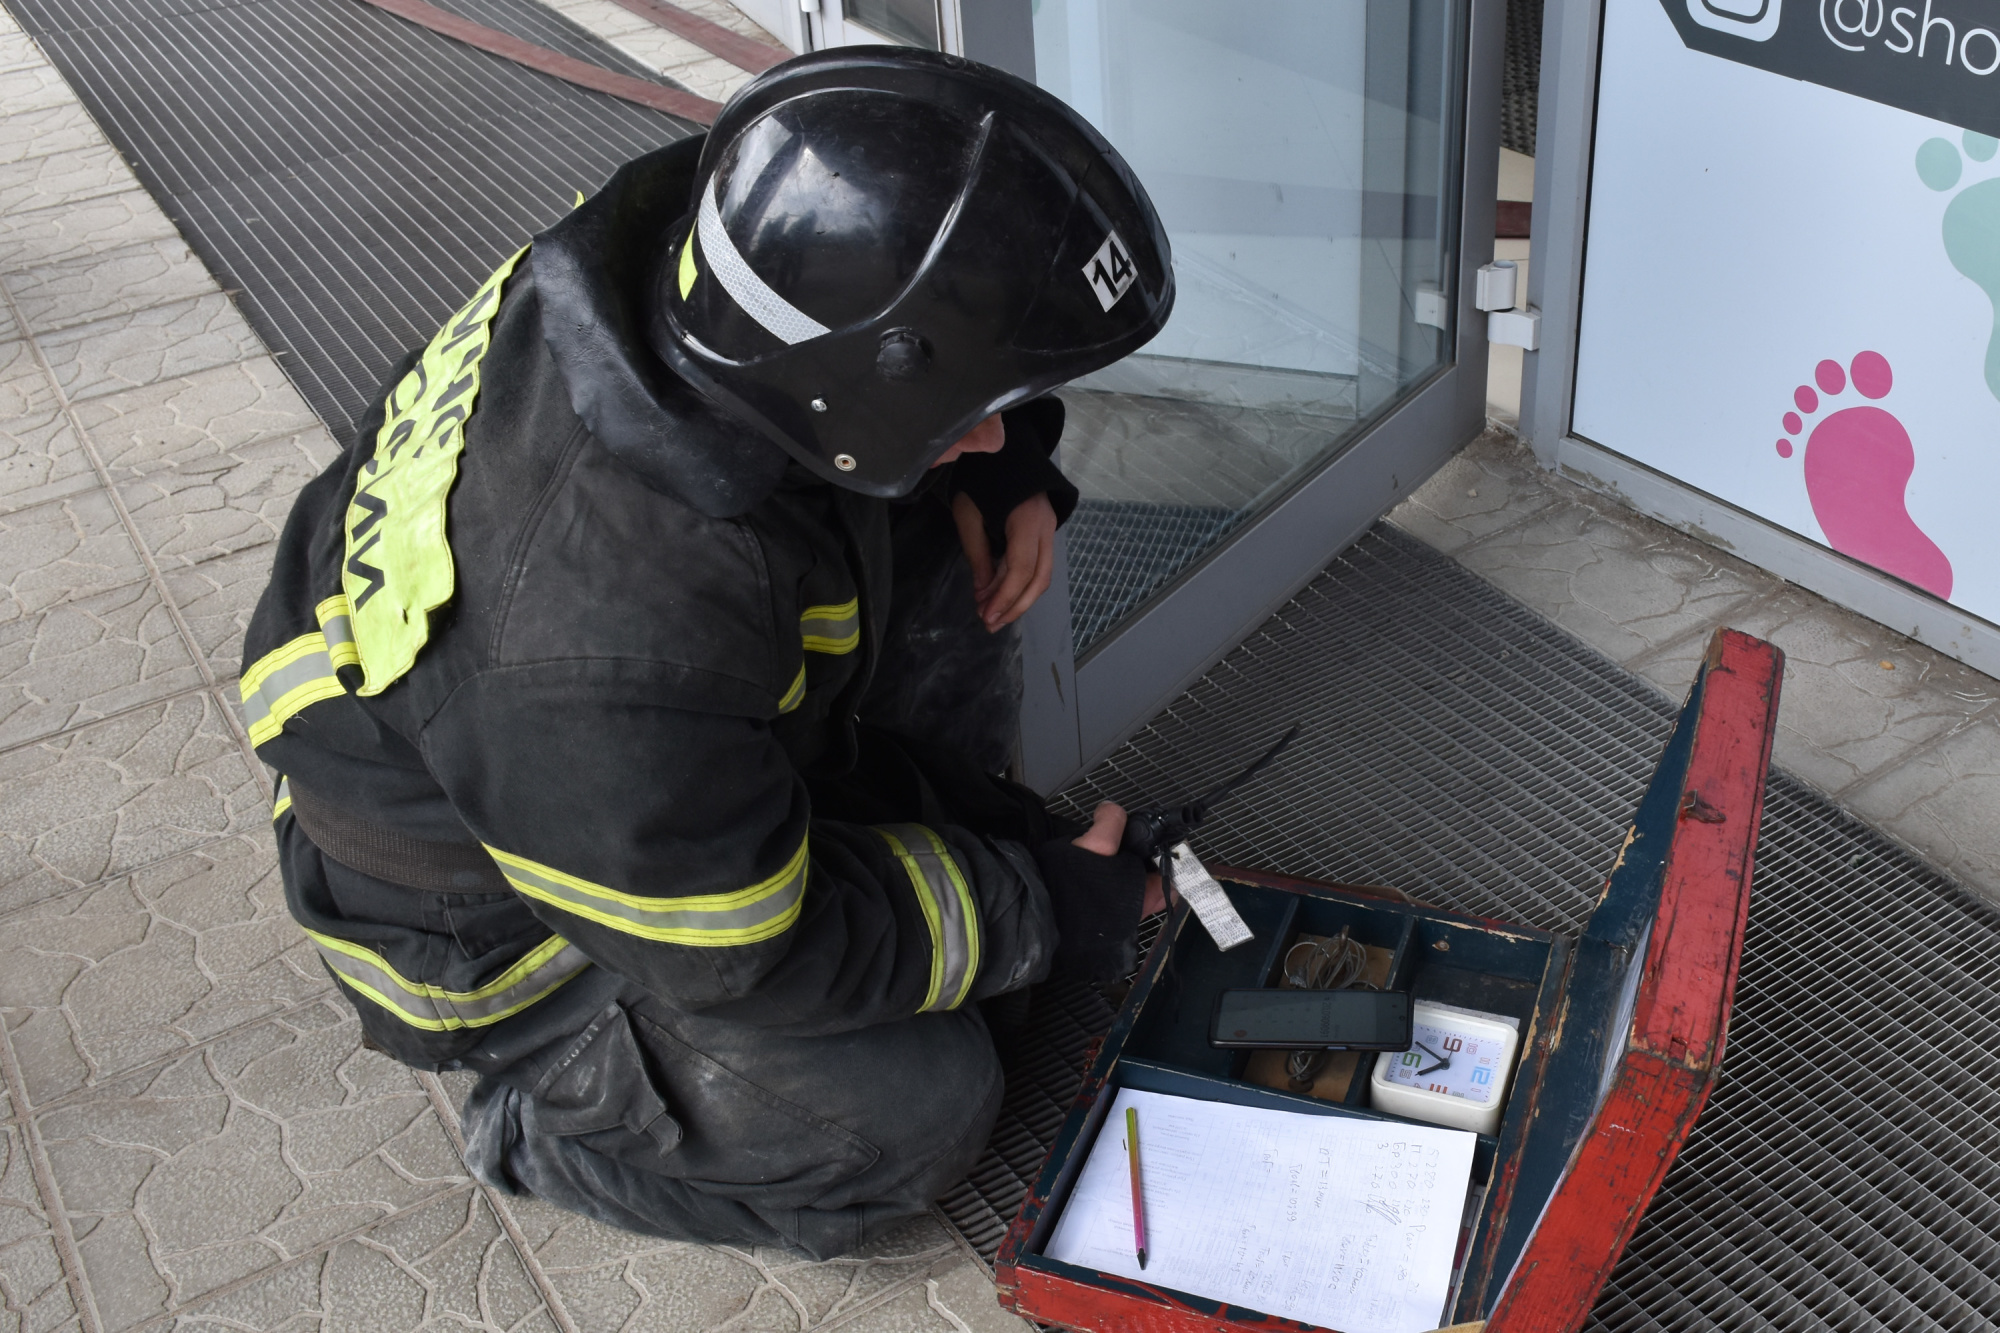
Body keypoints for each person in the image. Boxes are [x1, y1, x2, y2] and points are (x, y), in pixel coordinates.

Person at [239, 46, 1173, 1258]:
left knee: (945, 609)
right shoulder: (602, 645)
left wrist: (991, 461)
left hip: (565, 753)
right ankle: (544, 1119)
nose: (995, 426)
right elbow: (756, 949)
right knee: (920, 1105)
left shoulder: (721, 242)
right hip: (485, 919)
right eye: (967, 405)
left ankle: (880, 828)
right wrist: (1037, 909)